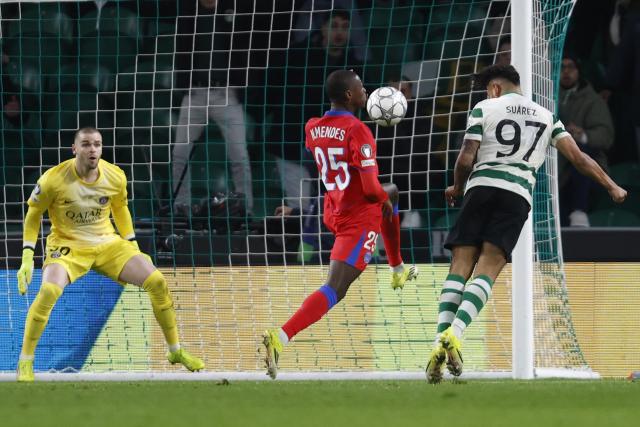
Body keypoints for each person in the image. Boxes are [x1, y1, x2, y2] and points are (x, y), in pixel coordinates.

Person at [425, 65, 627, 384]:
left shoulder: (485, 108)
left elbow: (465, 158)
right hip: (517, 195)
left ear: (494, 88)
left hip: (481, 188)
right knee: (488, 268)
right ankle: (456, 334)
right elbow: (579, 158)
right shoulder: (548, 116)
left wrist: (457, 186)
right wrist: (611, 185)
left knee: (460, 265)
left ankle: (440, 340)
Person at [261, 70, 418, 379]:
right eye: (360, 88)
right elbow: (372, 189)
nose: (365, 91)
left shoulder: (313, 128)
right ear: (349, 96)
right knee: (335, 288)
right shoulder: (358, 130)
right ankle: (280, 337)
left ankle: (397, 268)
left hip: (334, 207)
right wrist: (380, 200)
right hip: (358, 217)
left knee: (393, 192)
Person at [15, 127, 204, 382]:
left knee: (157, 282)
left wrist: (132, 245)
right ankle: (25, 362)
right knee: (49, 291)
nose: (92, 149)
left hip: (108, 245)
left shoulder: (115, 176)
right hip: (68, 246)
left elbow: (121, 209)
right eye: (86, 144)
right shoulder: (53, 179)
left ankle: (175, 351)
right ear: (75, 149)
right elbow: (34, 214)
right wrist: (27, 256)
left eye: (97, 144)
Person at [264, 9, 363, 214]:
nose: (339, 32)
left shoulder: (354, 67)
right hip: (292, 144)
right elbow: (271, 90)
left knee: (332, 210)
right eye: (334, 26)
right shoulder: (298, 57)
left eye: (345, 27)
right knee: (300, 210)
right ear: (323, 29)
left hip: (331, 153)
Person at [172, 0, 254, 216]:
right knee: (180, 153)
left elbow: (246, 48)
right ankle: (182, 209)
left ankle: (245, 210)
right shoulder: (187, 11)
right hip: (195, 93)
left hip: (226, 94)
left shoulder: (234, 9)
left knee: (239, 155)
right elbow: (180, 51)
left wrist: (241, 86)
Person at [558, 55, 615, 226]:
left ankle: (579, 211)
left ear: (579, 72)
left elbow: (606, 136)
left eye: (571, 67)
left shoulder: (593, 100)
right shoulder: (546, 95)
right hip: (556, 164)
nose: (566, 72)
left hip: (589, 169)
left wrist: (582, 135)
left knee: (580, 152)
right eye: (561, 67)